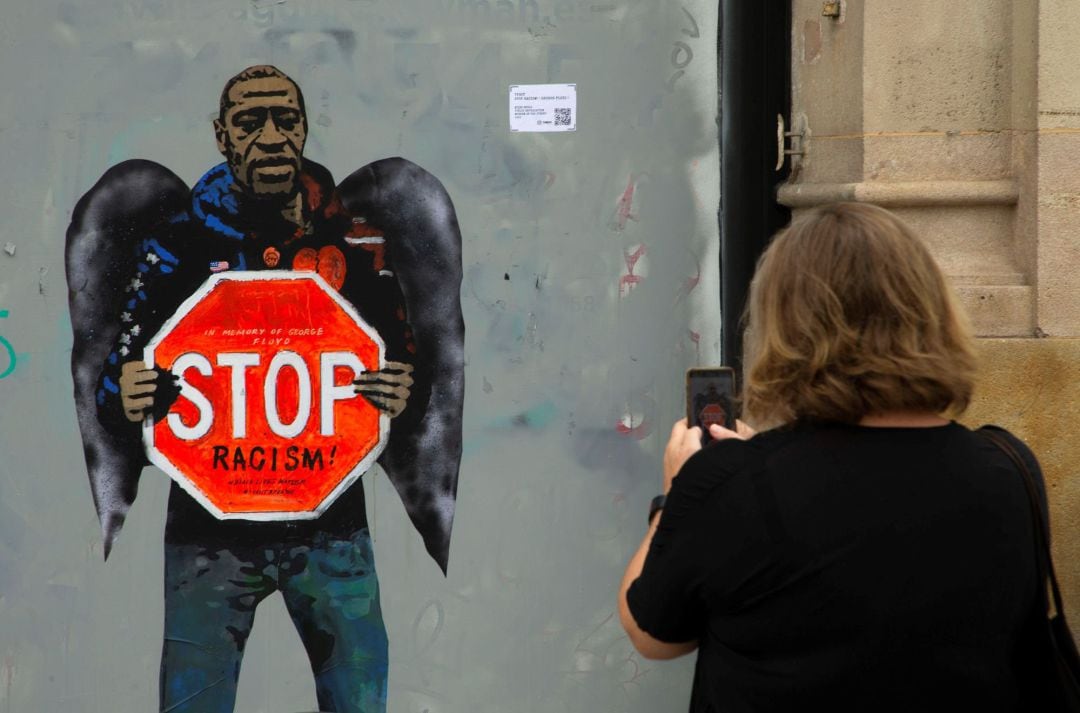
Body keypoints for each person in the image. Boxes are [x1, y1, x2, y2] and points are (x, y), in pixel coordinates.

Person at [70, 65, 465, 713]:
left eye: (286, 119)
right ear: (223, 136)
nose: (273, 136)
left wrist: (402, 386)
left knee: (361, 698)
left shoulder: (348, 239)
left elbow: (406, 363)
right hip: (209, 535)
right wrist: (128, 389)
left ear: (305, 128)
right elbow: (118, 376)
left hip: (332, 528)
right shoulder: (181, 244)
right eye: (252, 123)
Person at [619, 202, 1053, 711]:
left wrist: (678, 497)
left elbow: (654, 633)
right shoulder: (1007, 468)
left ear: (787, 329)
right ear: (930, 313)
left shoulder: (731, 485)